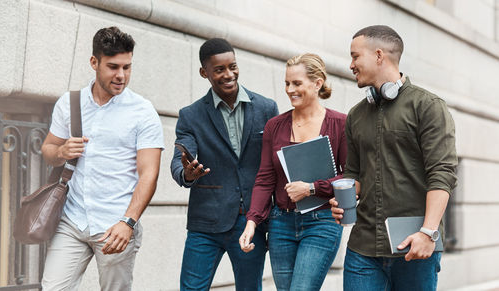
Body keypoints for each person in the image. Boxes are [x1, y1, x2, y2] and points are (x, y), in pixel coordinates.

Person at [330, 25, 458, 290]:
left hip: (415, 246)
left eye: (355, 56)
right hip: (363, 248)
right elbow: (354, 172)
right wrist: (343, 199)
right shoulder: (355, 115)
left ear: (379, 56)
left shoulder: (428, 106)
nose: (351, 64)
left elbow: (442, 174)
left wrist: (428, 232)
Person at [40, 26, 164, 290]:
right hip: (72, 220)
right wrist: (61, 152)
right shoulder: (70, 103)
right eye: (113, 67)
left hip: (115, 225)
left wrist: (128, 222)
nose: (121, 75)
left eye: (127, 67)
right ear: (94, 62)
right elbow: (48, 150)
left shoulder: (142, 112)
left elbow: (149, 174)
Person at [170, 38, 279, 291]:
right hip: (205, 224)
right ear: (204, 72)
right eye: (219, 69)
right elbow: (180, 159)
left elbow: (276, 165)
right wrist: (186, 173)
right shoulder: (190, 115)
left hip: (251, 222)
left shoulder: (266, 108)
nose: (229, 74)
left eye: (233, 66)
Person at [239, 53, 346, 291]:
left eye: (297, 83)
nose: (289, 89)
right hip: (281, 224)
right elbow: (265, 179)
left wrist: (312, 188)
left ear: (317, 83)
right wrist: (252, 222)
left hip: (322, 222)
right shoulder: (274, 126)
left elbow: (351, 176)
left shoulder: (340, 124)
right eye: (287, 83)